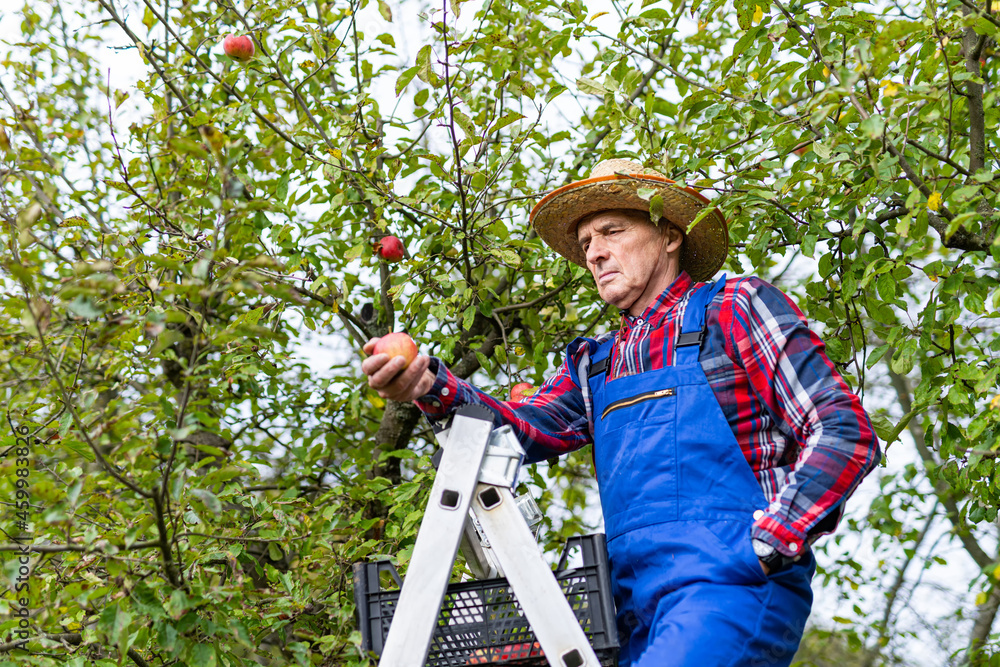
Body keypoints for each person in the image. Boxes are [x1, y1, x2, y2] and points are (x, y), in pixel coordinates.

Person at [361, 158, 881, 667]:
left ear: (670, 235)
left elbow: (844, 431)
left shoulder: (735, 307)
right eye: (587, 244)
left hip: (725, 591)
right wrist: (429, 384)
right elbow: (522, 431)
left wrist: (770, 543)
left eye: (611, 231)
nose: (595, 254)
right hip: (630, 610)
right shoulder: (597, 362)